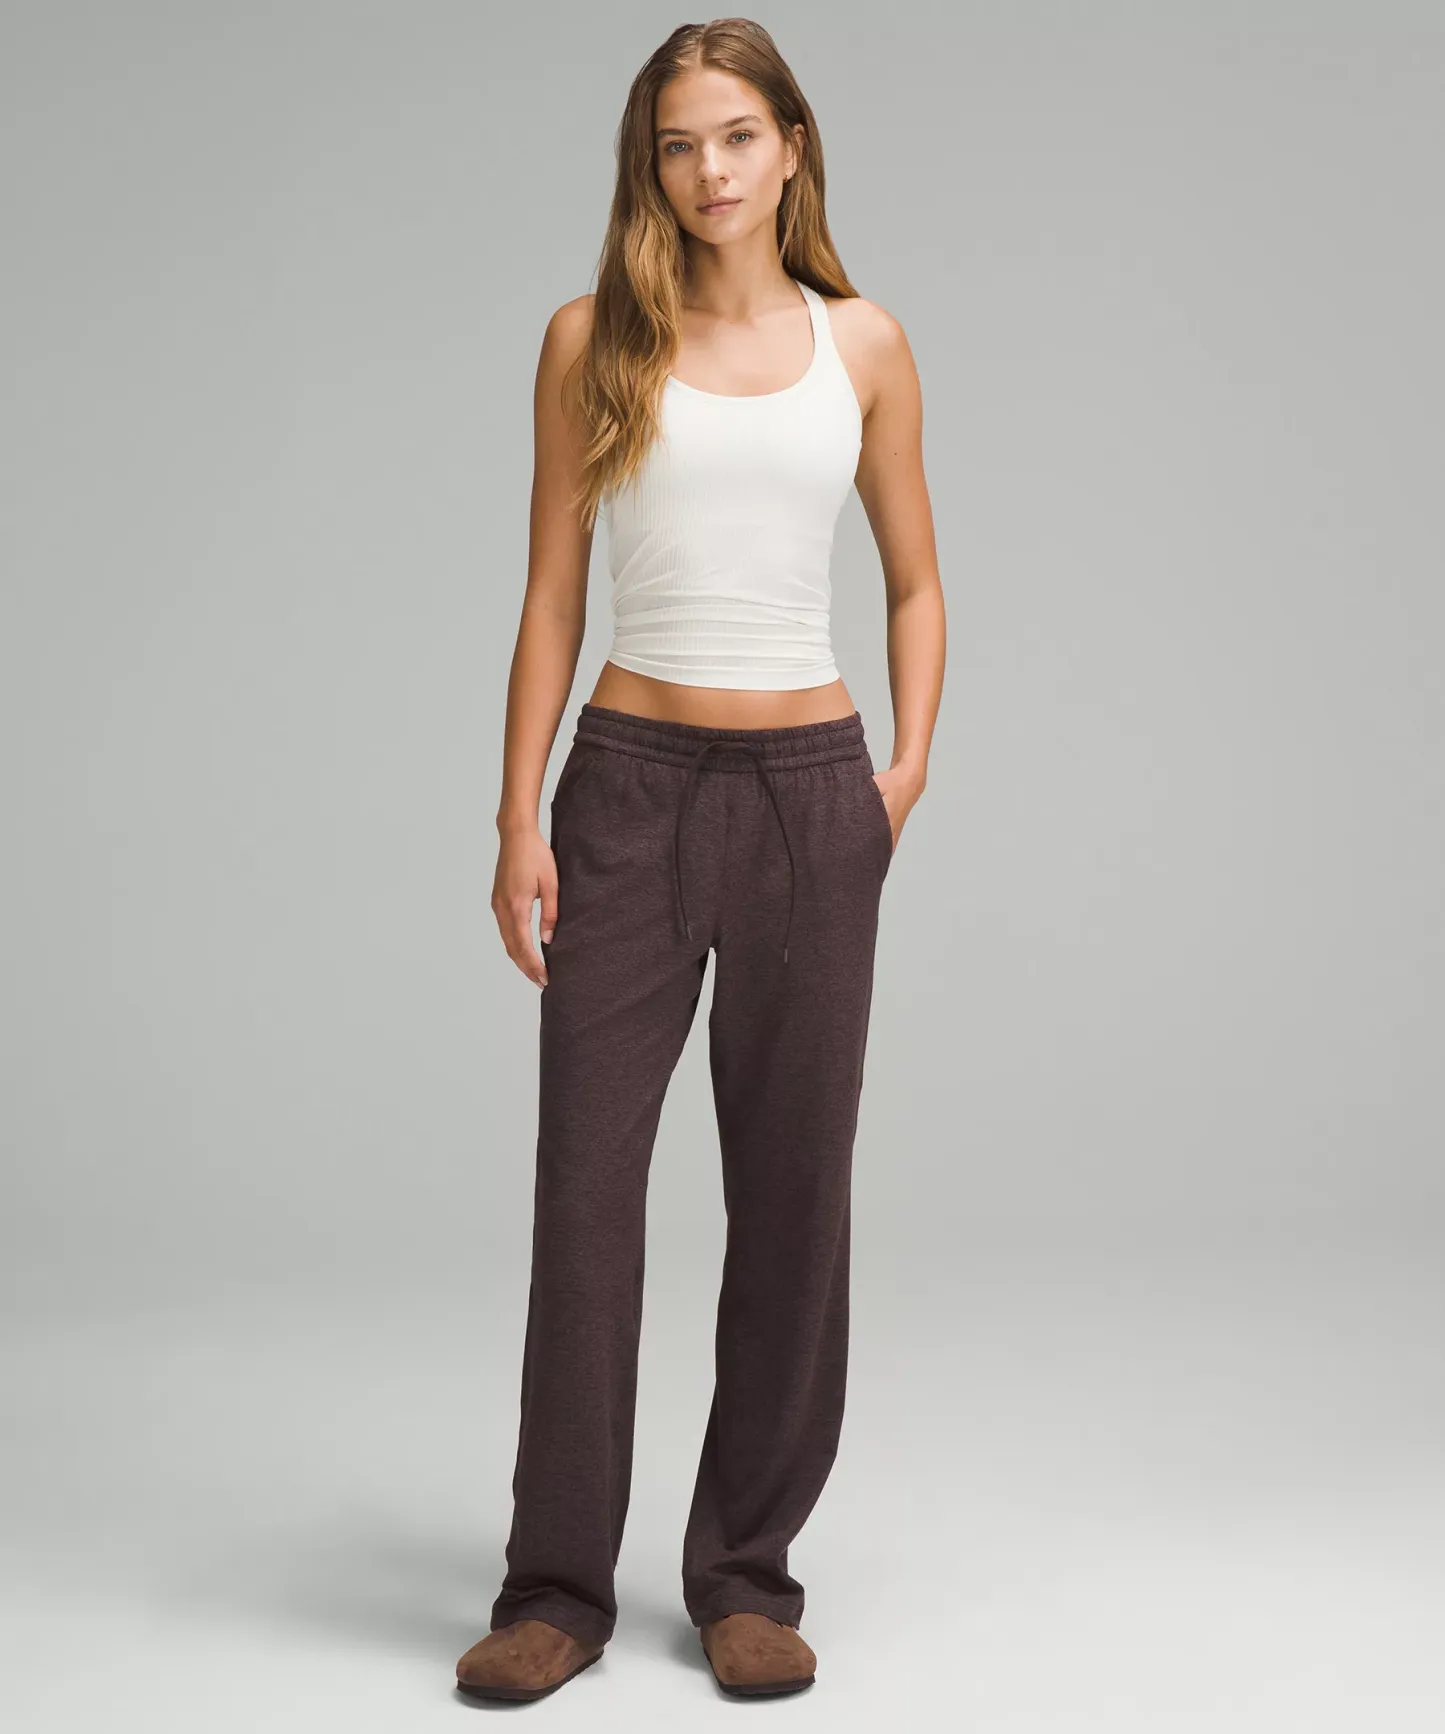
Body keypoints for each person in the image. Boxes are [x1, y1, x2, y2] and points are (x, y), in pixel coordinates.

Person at [456, 16, 944, 1704]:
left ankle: (745, 1572)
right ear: (647, 166)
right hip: (629, 788)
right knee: (585, 1193)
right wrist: (519, 812)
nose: (710, 168)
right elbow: (550, 594)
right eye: (678, 143)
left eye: (738, 134)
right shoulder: (591, 339)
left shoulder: (863, 344)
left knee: (795, 1192)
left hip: (811, 796)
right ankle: (555, 1587)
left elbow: (915, 579)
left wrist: (901, 773)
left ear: (791, 146)